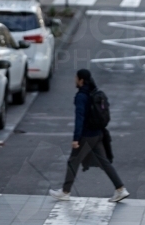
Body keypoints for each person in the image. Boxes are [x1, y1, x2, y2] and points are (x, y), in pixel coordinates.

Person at [49, 68, 129, 202]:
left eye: (76, 78)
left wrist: (76, 139)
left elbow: (79, 118)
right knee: (104, 162)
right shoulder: (94, 92)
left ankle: (65, 191)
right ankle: (120, 189)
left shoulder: (81, 96)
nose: (75, 80)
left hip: (87, 135)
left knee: (73, 161)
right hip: (98, 133)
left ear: (81, 80)